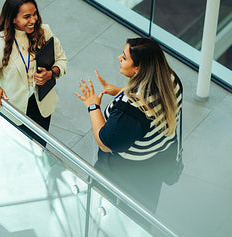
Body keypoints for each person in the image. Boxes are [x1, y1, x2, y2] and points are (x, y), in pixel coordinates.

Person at [74, 37, 183, 216]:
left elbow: (106, 142)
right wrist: (120, 91)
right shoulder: (170, 79)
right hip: (153, 167)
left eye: (124, 58)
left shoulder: (132, 107)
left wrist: (92, 105)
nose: (119, 58)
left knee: (102, 213)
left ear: (138, 68)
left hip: (122, 170)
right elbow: (153, 107)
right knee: (140, 216)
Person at [0, 0, 68, 146]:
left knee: (39, 149)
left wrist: (51, 74)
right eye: (26, 16)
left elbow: (62, 60)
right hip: (15, 109)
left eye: (34, 14)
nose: (33, 20)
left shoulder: (44, 31)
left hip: (42, 104)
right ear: (13, 18)